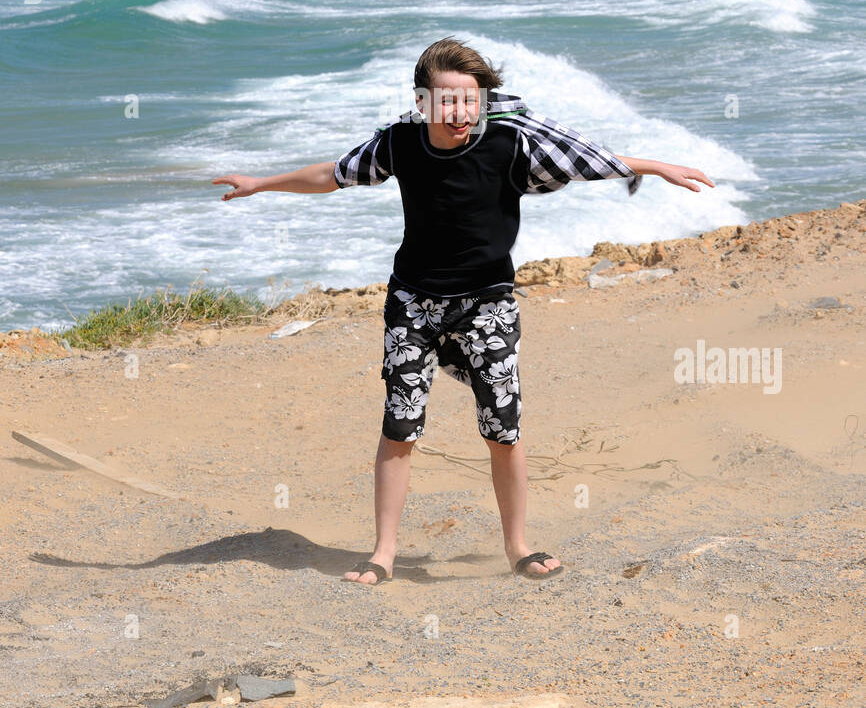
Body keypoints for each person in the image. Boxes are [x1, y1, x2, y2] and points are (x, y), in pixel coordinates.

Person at [213, 37, 714, 585]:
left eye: (470, 101)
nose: (460, 113)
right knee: (400, 428)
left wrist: (658, 166)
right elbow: (333, 175)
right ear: (424, 102)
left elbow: (589, 162)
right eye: (448, 101)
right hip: (412, 305)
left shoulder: (509, 146)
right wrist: (261, 183)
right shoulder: (398, 144)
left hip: (487, 306)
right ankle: (383, 552)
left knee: (503, 430)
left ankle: (518, 546)